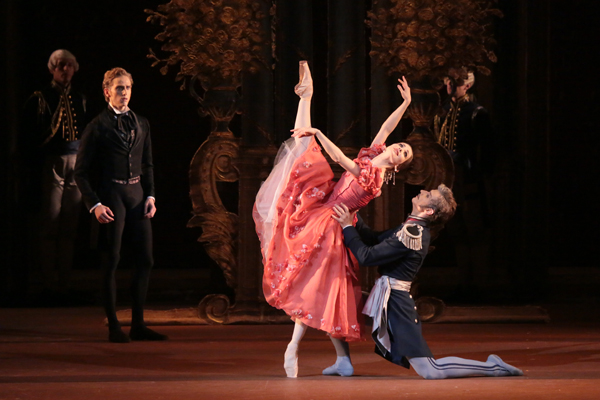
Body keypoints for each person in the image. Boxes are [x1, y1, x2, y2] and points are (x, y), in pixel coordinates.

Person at [253, 61, 413, 378]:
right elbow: (386, 128)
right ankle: (342, 360)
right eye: (402, 147)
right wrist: (406, 103)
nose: (400, 149)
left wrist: (319, 133)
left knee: (316, 288)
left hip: (331, 224)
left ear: (397, 167)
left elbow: (341, 160)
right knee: (302, 155)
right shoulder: (373, 153)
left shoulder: (374, 177)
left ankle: (294, 347)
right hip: (325, 204)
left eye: (403, 155)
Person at [331, 185, 523, 379]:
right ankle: (342, 361)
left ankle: (493, 367)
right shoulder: (411, 227)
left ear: (429, 210)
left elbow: (367, 256)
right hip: (387, 296)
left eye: (428, 195)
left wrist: (347, 226)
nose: (423, 192)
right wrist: (353, 214)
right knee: (338, 306)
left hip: (396, 303)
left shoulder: (413, 232)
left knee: (430, 370)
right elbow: (373, 238)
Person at [74, 67, 167, 343]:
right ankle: (114, 326)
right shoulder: (97, 126)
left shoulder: (141, 122)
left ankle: (138, 324)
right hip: (111, 196)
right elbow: (80, 172)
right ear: (107, 92)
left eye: (127, 87)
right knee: (111, 260)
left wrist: (151, 196)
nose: (124, 93)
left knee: (145, 259)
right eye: (118, 88)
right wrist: (95, 204)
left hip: (137, 195)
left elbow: (148, 163)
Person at [21, 49, 88, 294]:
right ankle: (49, 283)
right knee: (50, 223)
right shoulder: (41, 97)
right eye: (60, 66)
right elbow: (30, 137)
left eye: (69, 65)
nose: (65, 70)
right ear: (52, 69)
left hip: (75, 163)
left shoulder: (80, 97)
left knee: (69, 225)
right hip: (52, 163)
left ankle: (65, 282)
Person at [434, 68, 495, 295]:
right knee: (456, 229)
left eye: (455, 82)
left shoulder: (476, 113)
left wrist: (480, 172)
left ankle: (480, 282)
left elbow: (488, 150)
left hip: (468, 177)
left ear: (467, 85)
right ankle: (464, 281)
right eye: (448, 80)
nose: (450, 85)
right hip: (446, 179)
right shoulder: (441, 111)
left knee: (475, 227)